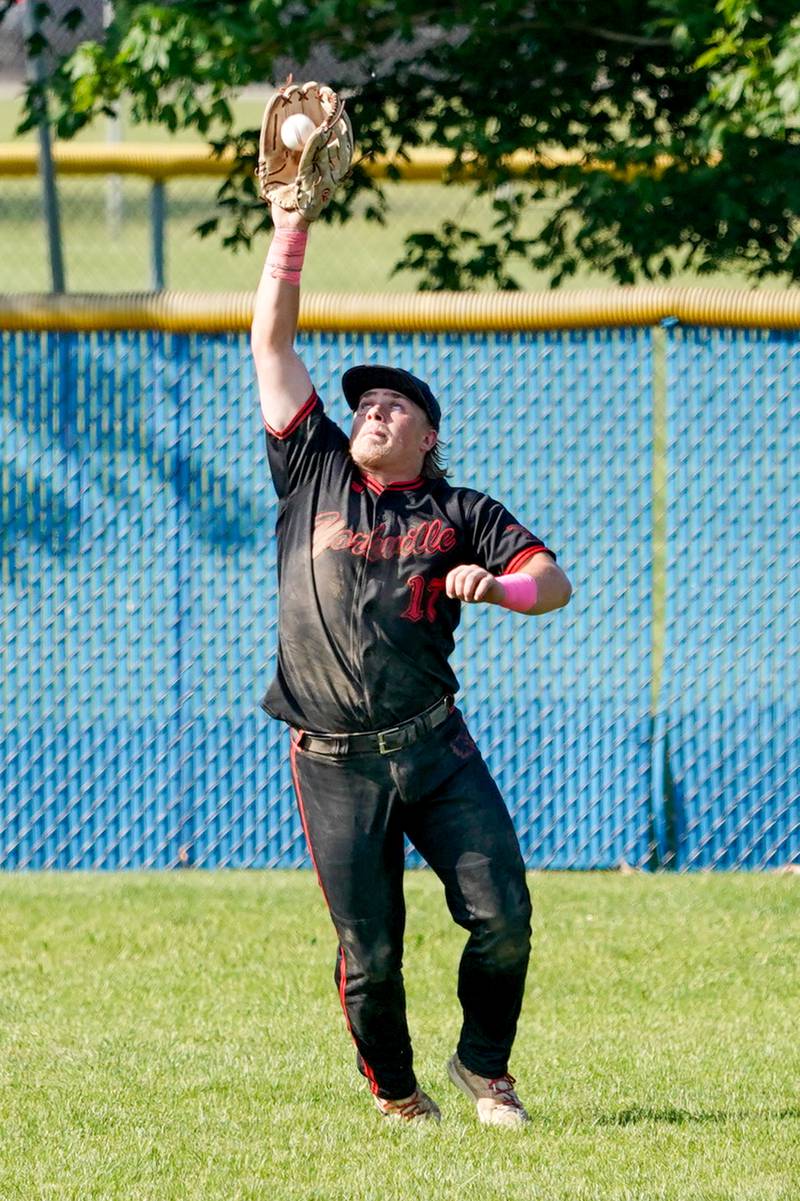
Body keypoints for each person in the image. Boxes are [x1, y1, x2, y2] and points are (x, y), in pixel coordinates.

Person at [251, 202, 573, 1127]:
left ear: (429, 434)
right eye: (365, 403)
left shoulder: (461, 507)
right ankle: (398, 1094)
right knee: (373, 952)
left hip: (435, 749)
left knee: (503, 914)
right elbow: (271, 339)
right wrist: (290, 222)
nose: (373, 410)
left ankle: (486, 1068)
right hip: (333, 760)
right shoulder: (313, 470)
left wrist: (499, 588)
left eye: (395, 405)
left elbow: (551, 583)